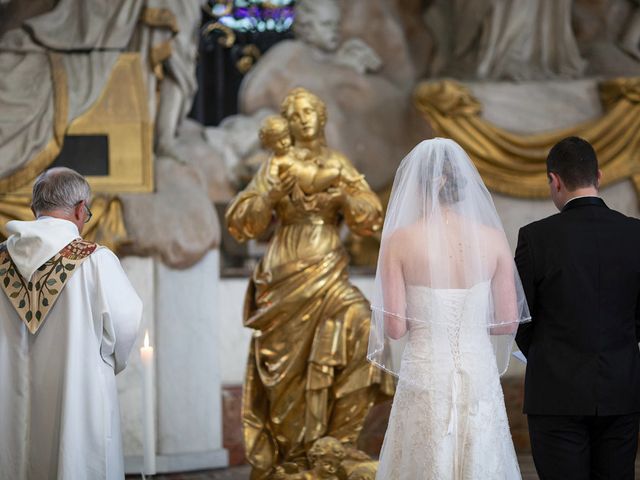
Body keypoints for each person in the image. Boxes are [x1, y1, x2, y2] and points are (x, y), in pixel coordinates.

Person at [226, 88, 393, 479]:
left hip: (330, 272)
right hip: (283, 277)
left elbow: (370, 216)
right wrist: (269, 194)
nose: (303, 119)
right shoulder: (276, 164)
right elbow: (241, 223)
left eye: (308, 112)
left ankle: (337, 443)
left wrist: (347, 199)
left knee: (364, 327)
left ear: (322, 116)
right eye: (294, 114)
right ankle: (293, 457)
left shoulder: (337, 162)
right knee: (286, 374)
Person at [368, 138, 530, 479]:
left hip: (427, 372)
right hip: (478, 370)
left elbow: (395, 328)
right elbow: (506, 321)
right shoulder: (492, 238)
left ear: (424, 184)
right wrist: (468, 323)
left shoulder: (400, 241)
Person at [0, 167, 143, 479]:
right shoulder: (95, 261)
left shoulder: (0, 263)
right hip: (78, 397)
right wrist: (103, 358)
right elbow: (127, 321)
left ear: (33, 209)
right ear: (81, 210)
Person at [515, 136, 640, 479]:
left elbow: (520, 318)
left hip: (555, 394)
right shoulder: (636, 234)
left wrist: (546, 353)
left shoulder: (535, 237)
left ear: (554, 180)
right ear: (598, 175)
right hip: (621, 390)